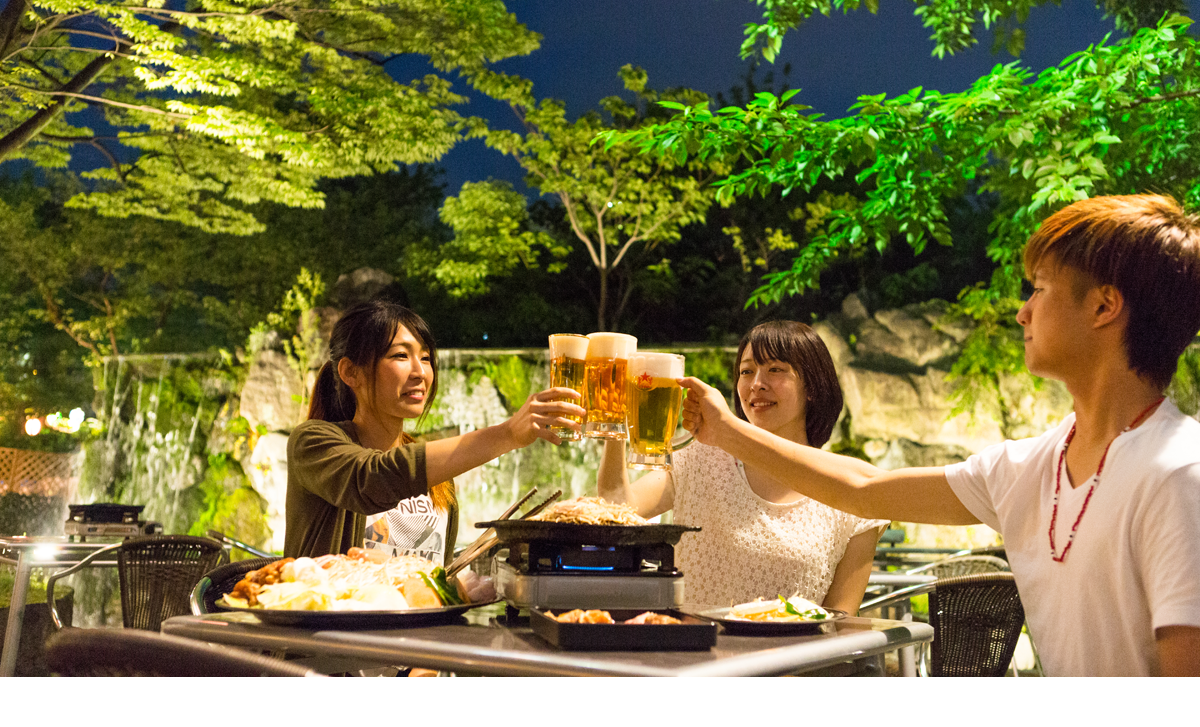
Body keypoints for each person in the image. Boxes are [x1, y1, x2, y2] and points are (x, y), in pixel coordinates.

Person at [679, 194, 1200, 676]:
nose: (1022, 311)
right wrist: (724, 432)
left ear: (1104, 307)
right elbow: (863, 490)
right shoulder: (1031, 466)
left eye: (1039, 288)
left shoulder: (1179, 475)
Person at [597, 321, 887, 611]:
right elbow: (616, 509)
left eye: (775, 370)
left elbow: (841, 622)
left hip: (792, 656)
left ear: (813, 386)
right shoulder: (701, 458)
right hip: (691, 651)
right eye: (746, 371)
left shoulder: (850, 496)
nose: (757, 384)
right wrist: (614, 421)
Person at [284, 298, 584, 565]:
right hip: (335, 626)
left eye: (426, 358)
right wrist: (507, 434)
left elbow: (438, 575)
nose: (420, 372)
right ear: (351, 372)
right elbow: (373, 480)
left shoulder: (439, 480)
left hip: (419, 627)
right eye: (401, 356)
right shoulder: (312, 442)